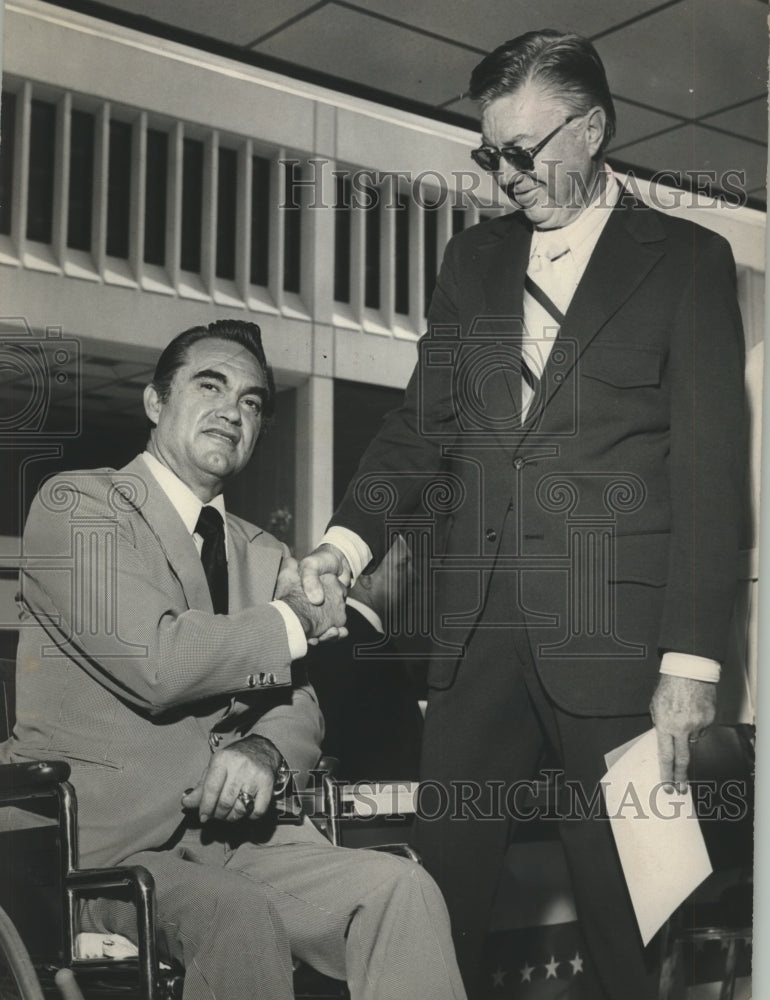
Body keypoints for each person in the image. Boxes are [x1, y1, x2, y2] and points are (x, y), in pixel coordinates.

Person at [299, 30, 748, 1000]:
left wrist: (690, 661)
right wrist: (345, 540)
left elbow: (713, 476)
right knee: (435, 906)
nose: (503, 175)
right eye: (486, 153)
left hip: (620, 646)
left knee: (634, 918)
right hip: (476, 640)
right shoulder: (473, 262)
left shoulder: (683, 262)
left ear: (589, 128)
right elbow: (421, 425)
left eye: (521, 150)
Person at [4, 320, 466, 1000]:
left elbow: (300, 703)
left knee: (402, 889)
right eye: (210, 385)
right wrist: (295, 619)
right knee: (237, 914)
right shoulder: (80, 508)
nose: (233, 409)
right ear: (156, 403)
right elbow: (158, 662)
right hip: (107, 852)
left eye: (252, 402)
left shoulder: (264, 552)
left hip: (244, 840)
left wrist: (263, 752)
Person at [308, 535, 424, 781]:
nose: (415, 576)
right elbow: (401, 758)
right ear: (366, 578)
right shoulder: (374, 651)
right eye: (403, 565)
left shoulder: (324, 638)